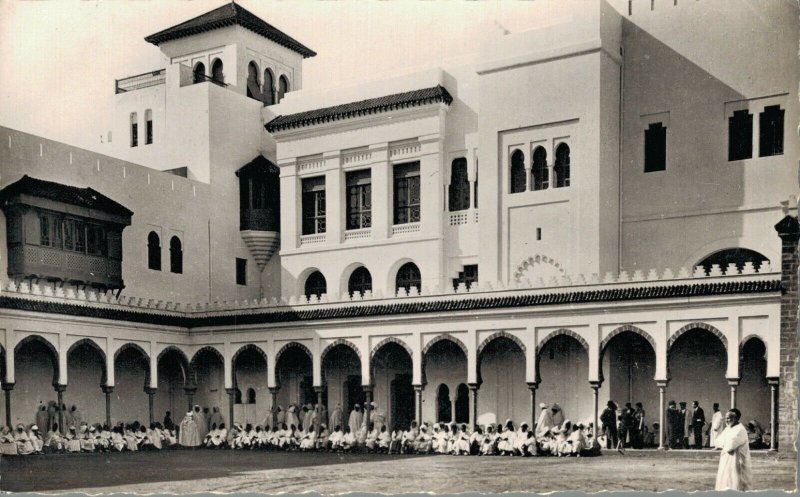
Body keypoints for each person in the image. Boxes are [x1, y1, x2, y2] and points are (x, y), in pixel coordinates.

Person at [715, 408, 752, 491]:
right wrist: (725, 443)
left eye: (730, 418)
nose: (727, 420)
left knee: (736, 483)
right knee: (725, 481)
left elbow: (730, 447)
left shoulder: (739, 429)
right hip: (726, 460)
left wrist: (725, 444)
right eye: (726, 418)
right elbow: (717, 442)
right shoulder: (728, 428)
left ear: (737, 418)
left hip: (737, 461)